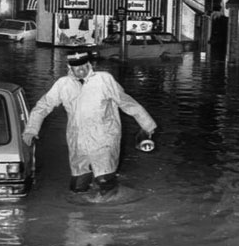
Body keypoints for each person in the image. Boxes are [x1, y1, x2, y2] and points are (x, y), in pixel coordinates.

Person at [22, 51, 156, 196]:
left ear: (90, 64)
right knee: (78, 187)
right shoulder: (63, 84)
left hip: (104, 138)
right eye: (77, 67)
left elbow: (127, 103)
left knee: (105, 182)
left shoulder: (104, 80)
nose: (81, 70)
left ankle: (109, 210)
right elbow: (43, 106)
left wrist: (147, 125)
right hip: (78, 141)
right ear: (69, 67)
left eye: (84, 66)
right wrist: (31, 129)